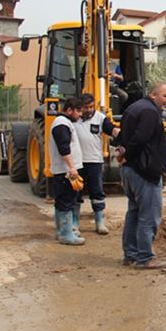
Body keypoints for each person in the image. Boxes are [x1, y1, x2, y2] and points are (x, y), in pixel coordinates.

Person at [117, 82, 166, 269]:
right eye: (165, 96)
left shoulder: (133, 108)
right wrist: (128, 156)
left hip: (131, 171)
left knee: (134, 212)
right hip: (143, 172)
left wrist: (123, 155)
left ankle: (130, 255)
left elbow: (121, 137)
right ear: (154, 95)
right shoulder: (149, 112)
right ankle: (144, 258)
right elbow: (140, 139)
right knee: (149, 216)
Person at [74, 93, 120, 235]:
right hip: (77, 162)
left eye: (91, 107)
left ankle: (99, 222)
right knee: (76, 192)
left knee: (97, 192)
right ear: (80, 107)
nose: (89, 110)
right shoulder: (74, 119)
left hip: (94, 161)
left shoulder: (100, 118)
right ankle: (74, 223)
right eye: (86, 107)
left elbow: (111, 129)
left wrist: (121, 134)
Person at [48, 97, 85, 246]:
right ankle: (66, 233)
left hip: (64, 170)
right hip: (65, 171)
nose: (80, 115)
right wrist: (72, 167)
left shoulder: (63, 123)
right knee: (67, 201)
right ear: (69, 110)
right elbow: (64, 148)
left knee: (63, 200)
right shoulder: (62, 124)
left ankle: (63, 230)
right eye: (78, 111)